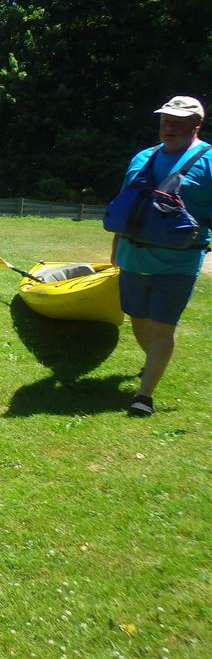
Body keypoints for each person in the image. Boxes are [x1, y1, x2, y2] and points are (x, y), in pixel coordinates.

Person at [110, 95, 212, 417]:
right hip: (133, 255)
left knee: (162, 326)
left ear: (196, 125)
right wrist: (115, 249)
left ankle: (144, 396)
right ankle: (154, 360)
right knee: (138, 318)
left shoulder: (209, 162)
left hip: (178, 262)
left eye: (179, 122)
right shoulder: (142, 158)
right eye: (166, 120)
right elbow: (127, 205)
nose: (170, 127)